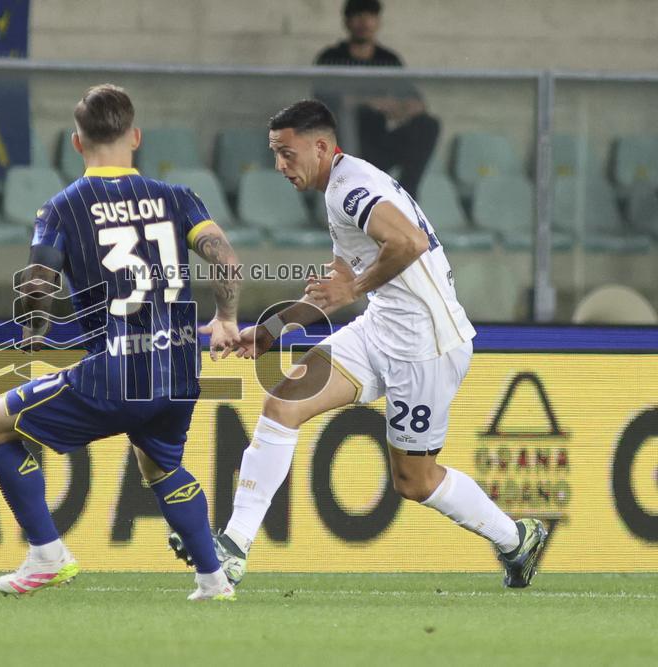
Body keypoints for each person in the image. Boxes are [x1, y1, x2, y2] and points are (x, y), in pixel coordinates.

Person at [169, 99, 548, 589]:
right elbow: (338, 283)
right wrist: (273, 329)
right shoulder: (340, 189)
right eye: (275, 153)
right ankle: (235, 546)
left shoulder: (352, 188)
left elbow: (408, 243)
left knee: (414, 481)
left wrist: (353, 290)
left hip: (426, 347)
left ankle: (516, 539)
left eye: (287, 153)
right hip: (379, 328)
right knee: (283, 403)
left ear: (320, 147)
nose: (279, 165)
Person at [0, 84, 242, 601]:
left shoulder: (61, 208)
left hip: (114, 373)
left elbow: (38, 283)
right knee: (160, 464)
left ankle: (47, 555)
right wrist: (226, 318)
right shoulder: (179, 197)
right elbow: (225, 258)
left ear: (77, 143)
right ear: (135, 137)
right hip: (179, 370)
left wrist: (33, 330)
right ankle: (213, 580)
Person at [314, 0, 439, 198]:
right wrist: (368, 102)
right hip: (344, 145)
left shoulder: (388, 59)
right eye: (358, 15)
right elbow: (323, 101)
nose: (364, 22)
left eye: (370, 16)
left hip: (379, 142)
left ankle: (406, 195)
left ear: (378, 21)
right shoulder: (331, 57)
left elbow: (416, 102)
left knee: (428, 125)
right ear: (346, 22)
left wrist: (398, 107)